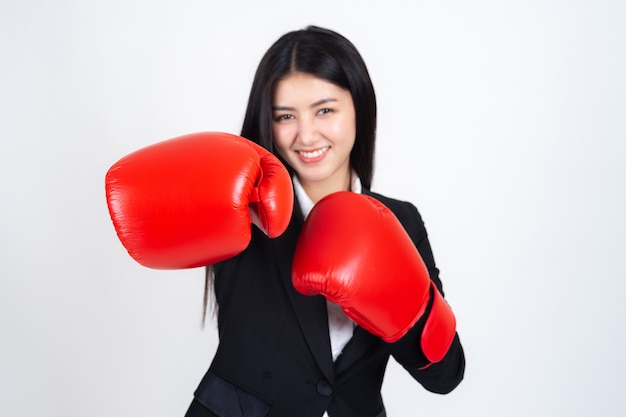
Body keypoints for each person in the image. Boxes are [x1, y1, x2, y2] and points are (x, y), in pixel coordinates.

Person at [106, 25, 465, 417]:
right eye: (285, 116)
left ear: (359, 107)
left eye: (325, 110)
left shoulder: (402, 220)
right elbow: (150, 211)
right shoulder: (241, 204)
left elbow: (446, 376)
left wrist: (405, 307)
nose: (306, 134)